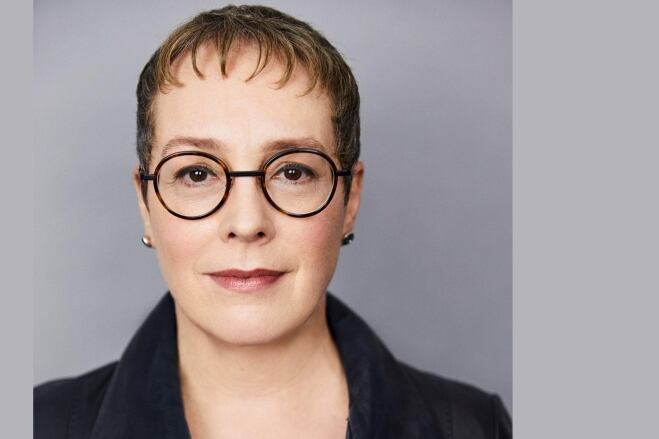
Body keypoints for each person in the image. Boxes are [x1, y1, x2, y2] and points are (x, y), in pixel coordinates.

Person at [34, 5, 511, 438]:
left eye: (292, 171)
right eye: (196, 172)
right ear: (145, 200)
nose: (246, 222)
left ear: (350, 197)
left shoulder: (475, 429)